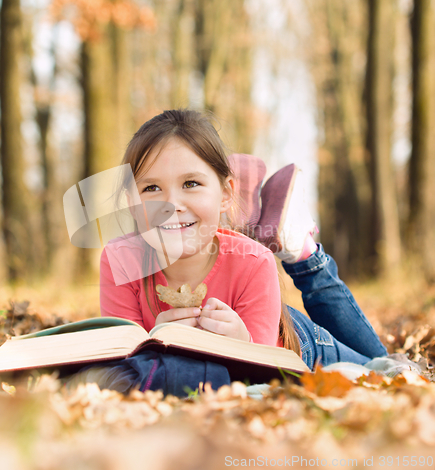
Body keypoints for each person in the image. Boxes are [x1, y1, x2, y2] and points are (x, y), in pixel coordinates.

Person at [97, 109, 388, 372]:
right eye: (151, 188)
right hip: (255, 306)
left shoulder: (255, 263)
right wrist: (150, 344)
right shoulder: (119, 260)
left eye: (191, 183)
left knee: (386, 368)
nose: (171, 204)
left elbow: (263, 373)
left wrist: (242, 342)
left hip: (291, 344)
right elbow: (123, 364)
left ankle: (304, 255)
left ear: (226, 195)